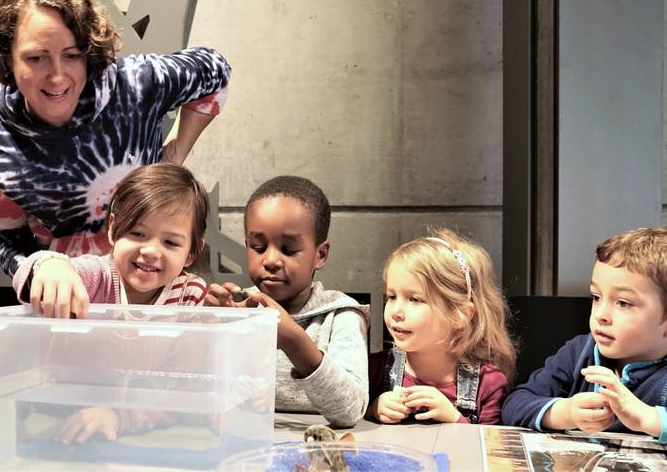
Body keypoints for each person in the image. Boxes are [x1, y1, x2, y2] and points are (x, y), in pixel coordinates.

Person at [0, 0, 231, 277]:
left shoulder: (135, 85)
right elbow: (3, 233)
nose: (57, 76)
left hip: (157, 289)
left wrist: (175, 155)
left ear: (88, 51)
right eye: (36, 58)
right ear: (6, 56)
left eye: (72, 55)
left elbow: (215, 70)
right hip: (74, 300)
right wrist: (40, 269)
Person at [205, 176, 370, 427]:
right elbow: (204, 397)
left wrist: (294, 341)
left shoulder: (341, 316)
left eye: (289, 250)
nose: (270, 260)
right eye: (258, 247)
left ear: (320, 254)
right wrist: (212, 329)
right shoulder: (238, 308)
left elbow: (350, 411)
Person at [501, 227, 667, 444]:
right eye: (596, 297)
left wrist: (648, 418)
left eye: (623, 303)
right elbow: (514, 404)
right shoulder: (579, 352)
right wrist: (565, 412)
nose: (601, 315)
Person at [12, 162, 209, 318]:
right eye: (138, 234)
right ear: (113, 228)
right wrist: (52, 266)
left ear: (192, 252)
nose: (151, 251)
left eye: (170, 243)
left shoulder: (189, 293)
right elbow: (32, 270)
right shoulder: (96, 277)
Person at [368, 230, 516, 425]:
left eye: (415, 299)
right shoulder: (373, 369)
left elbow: (490, 447)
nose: (396, 311)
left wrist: (455, 419)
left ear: (459, 315)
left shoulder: (488, 384)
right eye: (392, 297)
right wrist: (372, 409)